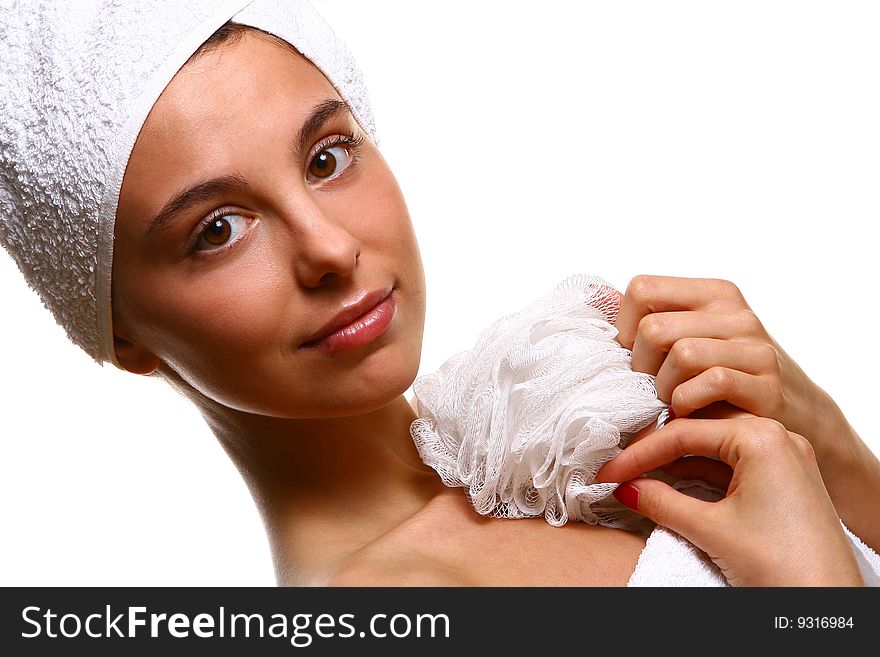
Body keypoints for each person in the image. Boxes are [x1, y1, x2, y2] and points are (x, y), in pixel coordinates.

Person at [1, 0, 877, 586]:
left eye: (326, 157)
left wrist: (828, 446)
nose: (331, 248)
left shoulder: (554, 406)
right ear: (121, 331)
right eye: (218, 229)